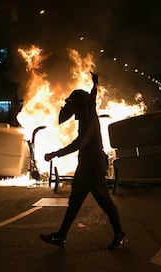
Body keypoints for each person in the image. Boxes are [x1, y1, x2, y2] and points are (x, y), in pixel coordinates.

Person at [40, 72, 126, 250]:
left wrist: (55, 153)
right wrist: (95, 84)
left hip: (93, 167)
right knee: (75, 202)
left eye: (73, 106)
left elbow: (79, 143)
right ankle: (61, 236)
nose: (71, 110)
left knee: (104, 201)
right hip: (86, 166)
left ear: (79, 106)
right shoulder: (89, 108)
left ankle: (120, 235)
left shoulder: (88, 120)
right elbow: (92, 97)